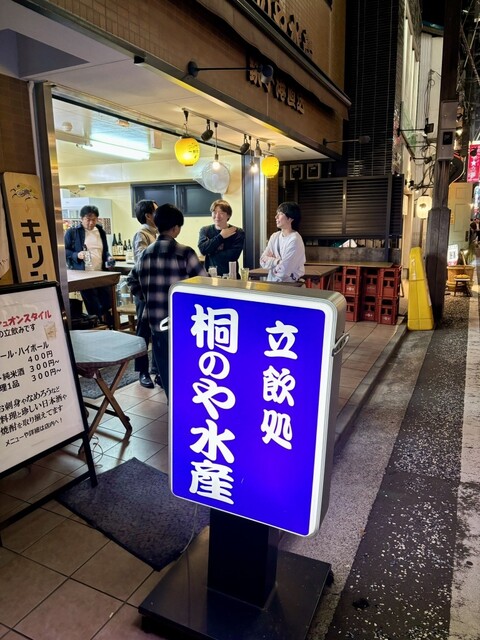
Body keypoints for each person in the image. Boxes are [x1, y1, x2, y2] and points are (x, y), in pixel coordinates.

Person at [128, 203, 207, 399]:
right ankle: (185, 405)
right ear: (176, 228)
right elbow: (204, 284)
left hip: (156, 322)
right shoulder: (185, 252)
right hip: (183, 322)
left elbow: (131, 281)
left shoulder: (145, 254)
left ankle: (171, 402)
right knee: (184, 367)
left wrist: (147, 296)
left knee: (165, 368)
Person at [65, 205, 115, 327]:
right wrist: (76, 255)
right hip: (84, 275)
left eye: (94, 219)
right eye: (88, 219)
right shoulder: (73, 232)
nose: (91, 222)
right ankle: (97, 327)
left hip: (101, 273)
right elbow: (64, 251)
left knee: (107, 303)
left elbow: (105, 251)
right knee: (93, 305)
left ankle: (109, 326)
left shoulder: (100, 231)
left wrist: (109, 257)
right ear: (81, 219)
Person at [131, 199, 159, 388]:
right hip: (144, 290)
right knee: (143, 332)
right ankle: (142, 372)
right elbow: (142, 259)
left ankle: (157, 370)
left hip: (157, 289)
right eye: (156, 211)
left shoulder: (156, 233)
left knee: (158, 331)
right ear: (148, 215)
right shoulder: (142, 234)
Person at [259, 201, 306, 282]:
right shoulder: (275, 236)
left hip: (289, 285)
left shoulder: (294, 240)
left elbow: (284, 271)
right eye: (276, 214)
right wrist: (277, 261)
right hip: (271, 283)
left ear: (290, 218)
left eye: (280, 214)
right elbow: (262, 260)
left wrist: (271, 262)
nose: (276, 217)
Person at [198, 199, 245, 276]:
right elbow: (203, 250)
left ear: (228, 215)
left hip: (231, 277)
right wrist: (221, 236)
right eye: (214, 212)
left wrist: (210, 252)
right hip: (209, 277)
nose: (217, 216)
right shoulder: (205, 230)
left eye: (221, 213)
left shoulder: (237, 232)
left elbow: (233, 256)